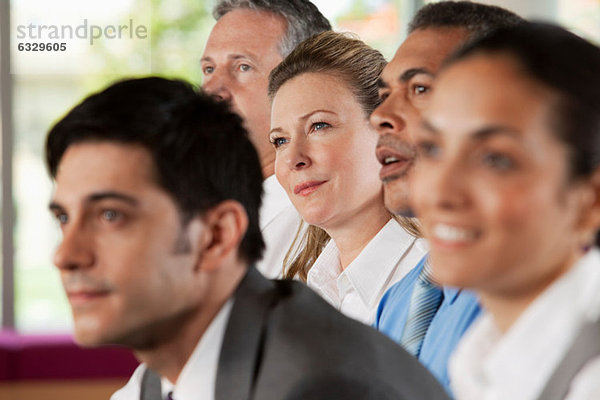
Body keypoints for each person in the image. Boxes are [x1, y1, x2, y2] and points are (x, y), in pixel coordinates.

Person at [45, 77, 451, 400]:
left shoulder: (320, 385)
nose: (65, 254)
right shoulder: (166, 372)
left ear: (217, 236)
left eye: (110, 215)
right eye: (64, 217)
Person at [411, 22, 600, 400]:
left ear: (590, 200)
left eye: (495, 159)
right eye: (432, 149)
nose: (440, 192)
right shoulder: (480, 358)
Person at [370, 1, 523, 393]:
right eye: (384, 93)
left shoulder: (528, 295)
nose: (380, 114)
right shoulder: (396, 302)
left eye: (420, 88)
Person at [268, 31, 426, 325]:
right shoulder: (303, 290)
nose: (293, 158)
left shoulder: (434, 287)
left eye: (319, 126)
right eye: (280, 141)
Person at [201, 0, 331, 278]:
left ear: (305, 80)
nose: (213, 89)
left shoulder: (327, 225)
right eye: (209, 69)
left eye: (243, 67)